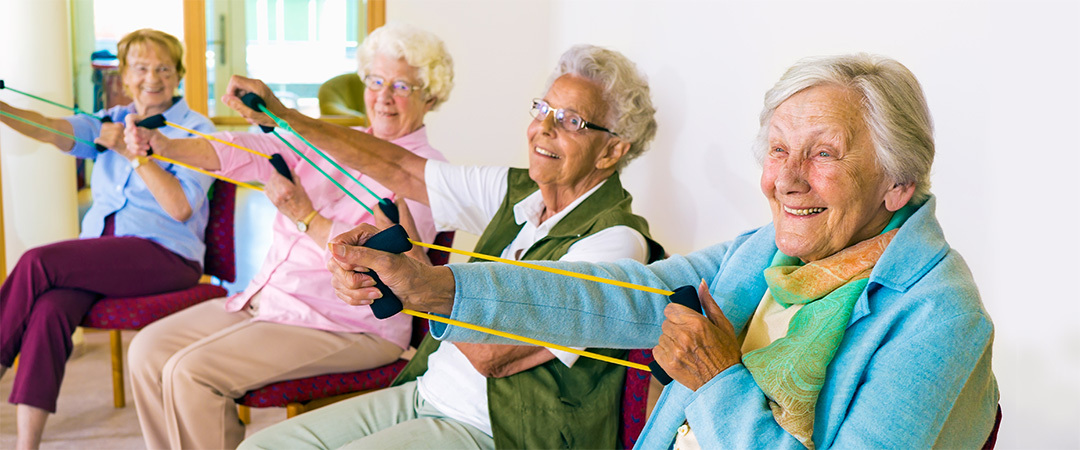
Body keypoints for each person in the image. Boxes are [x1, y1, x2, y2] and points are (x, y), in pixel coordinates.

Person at [324, 54, 1000, 449]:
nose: (786, 178)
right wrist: (435, 289)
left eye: (824, 153)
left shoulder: (939, 317)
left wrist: (719, 382)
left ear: (898, 181)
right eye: (778, 149)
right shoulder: (767, 251)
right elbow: (614, 296)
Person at [236, 44, 664, 449]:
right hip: (425, 393)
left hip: (501, 428)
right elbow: (397, 165)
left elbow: (493, 355)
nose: (543, 128)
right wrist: (286, 117)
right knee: (260, 444)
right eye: (542, 108)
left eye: (571, 120)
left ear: (612, 150)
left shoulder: (614, 243)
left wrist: (418, 277)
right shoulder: (519, 190)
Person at [120, 22, 451, 450]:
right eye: (375, 80)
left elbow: (382, 263)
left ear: (431, 94)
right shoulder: (339, 141)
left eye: (402, 85)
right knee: (147, 351)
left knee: (189, 371)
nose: (384, 96)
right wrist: (163, 147)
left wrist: (304, 215)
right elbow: (244, 151)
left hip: (347, 325)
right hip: (271, 300)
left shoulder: (427, 172)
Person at [0, 29, 214, 450]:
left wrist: (136, 154)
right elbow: (46, 128)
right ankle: (26, 445)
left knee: (37, 262)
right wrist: (2, 108)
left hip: (167, 255)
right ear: (124, 75)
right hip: (105, 257)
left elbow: (181, 208)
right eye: (141, 68)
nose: (153, 77)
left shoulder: (195, 129)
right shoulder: (109, 121)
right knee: (49, 308)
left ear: (178, 76)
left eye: (163, 69)